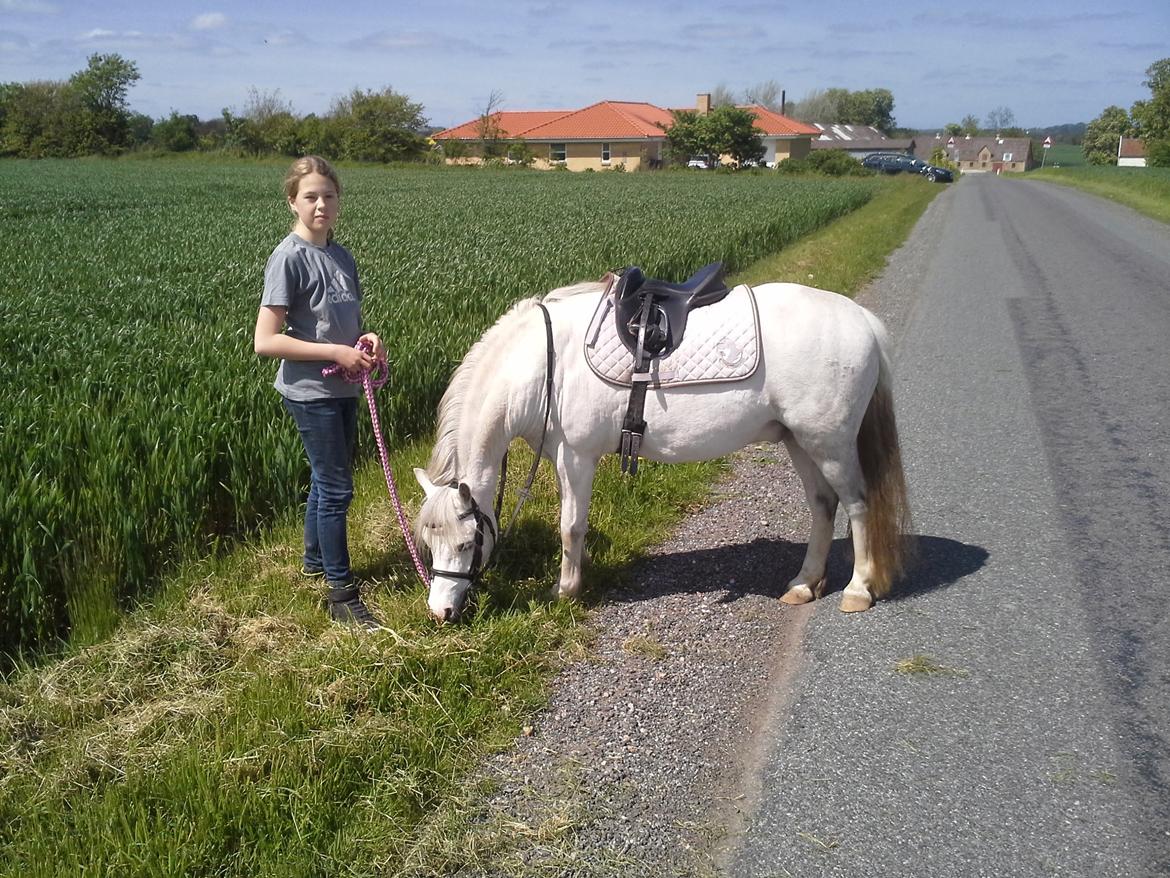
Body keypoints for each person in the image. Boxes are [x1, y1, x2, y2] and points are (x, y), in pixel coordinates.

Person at [254, 155, 384, 630]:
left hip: (343, 388)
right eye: (310, 196)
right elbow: (265, 340)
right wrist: (335, 351)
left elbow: (345, 324)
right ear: (293, 201)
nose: (321, 204)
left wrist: (367, 340)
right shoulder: (288, 257)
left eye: (328, 196)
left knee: (327, 478)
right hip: (310, 392)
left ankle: (313, 561)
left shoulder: (341, 255)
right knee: (338, 488)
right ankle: (341, 592)